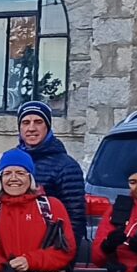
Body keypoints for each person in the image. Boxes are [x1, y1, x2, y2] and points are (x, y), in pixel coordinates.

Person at [12, 101, 89, 256]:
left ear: (47, 127)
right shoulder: (11, 160)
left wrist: (66, 258)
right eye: (26, 122)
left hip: (49, 251)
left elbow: (75, 217)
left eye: (38, 122)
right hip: (14, 248)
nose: (31, 128)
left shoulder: (66, 166)